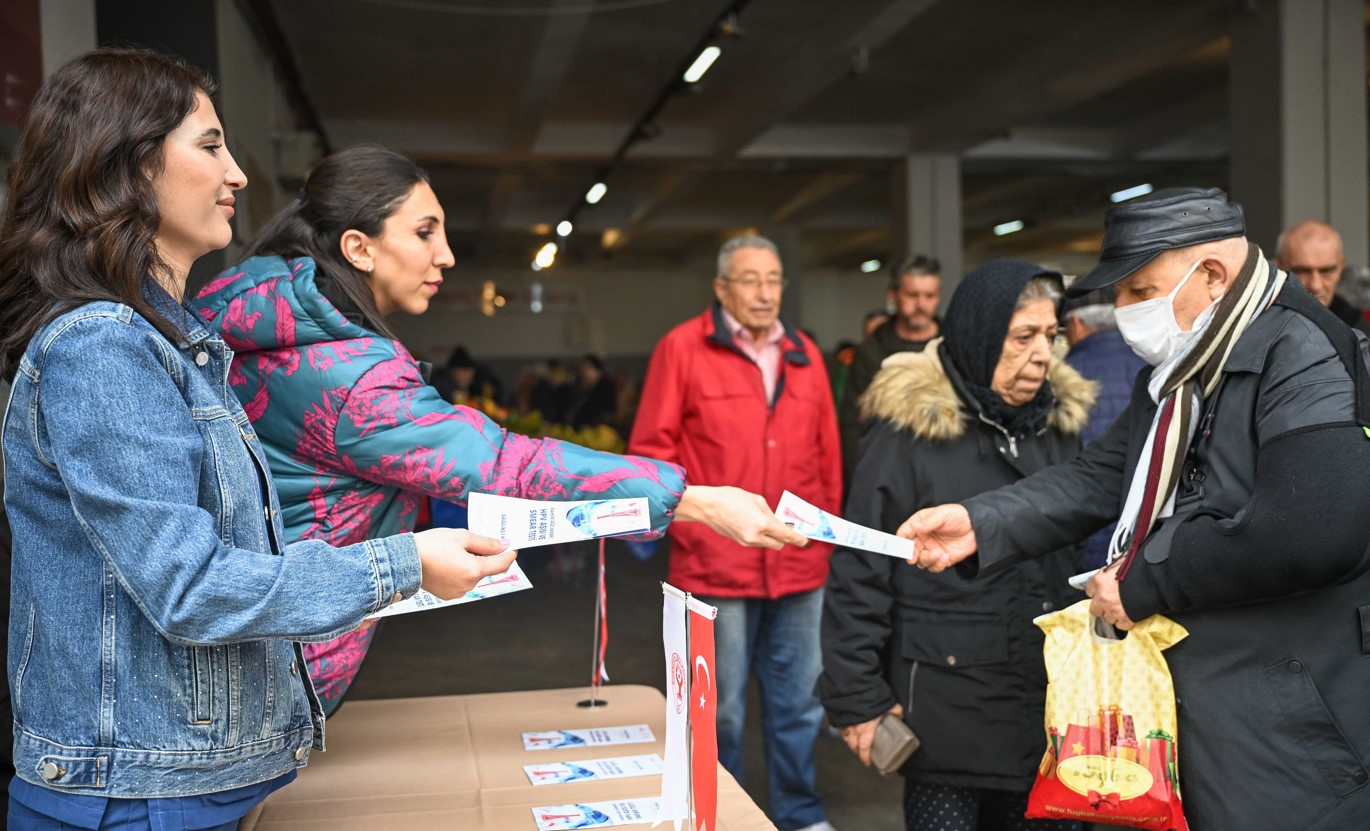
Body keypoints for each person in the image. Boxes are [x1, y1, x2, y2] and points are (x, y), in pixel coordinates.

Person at [0, 48, 520, 829]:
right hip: (138, 797)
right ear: (128, 164)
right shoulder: (102, 346)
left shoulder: (178, 344)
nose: (238, 174)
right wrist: (402, 563)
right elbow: (189, 585)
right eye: (210, 146)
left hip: (182, 780)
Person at [197, 146, 806, 715]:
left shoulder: (255, 315)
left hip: (242, 647)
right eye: (424, 232)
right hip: (273, 669)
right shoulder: (347, 376)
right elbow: (505, 467)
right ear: (359, 248)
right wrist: (694, 498)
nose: (447, 255)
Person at [905, 187, 1370, 830]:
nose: (1121, 312)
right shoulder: (1184, 365)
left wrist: (1145, 580)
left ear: (1210, 276)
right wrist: (982, 523)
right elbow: (1105, 473)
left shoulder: (1303, 354)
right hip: (1200, 703)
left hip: (1285, 717)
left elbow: (1315, 530)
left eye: (1138, 291)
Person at [818, 260, 1093, 831]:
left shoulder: (1059, 429)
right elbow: (860, 569)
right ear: (979, 335)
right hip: (944, 713)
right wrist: (857, 696)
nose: (1042, 354)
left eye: (1050, 335)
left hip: (1051, 717)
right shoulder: (905, 435)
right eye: (1023, 337)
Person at [629, 235, 842, 831]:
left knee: (801, 704)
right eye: (750, 280)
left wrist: (821, 542)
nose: (765, 293)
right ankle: (723, 818)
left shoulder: (806, 355)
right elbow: (652, 455)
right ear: (721, 288)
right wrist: (690, 530)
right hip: (714, 566)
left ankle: (800, 814)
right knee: (718, 712)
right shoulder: (682, 349)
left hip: (799, 567)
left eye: (774, 279)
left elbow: (827, 459)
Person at [839, 255, 942, 488]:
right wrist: (860, 481)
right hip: (888, 476)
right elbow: (851, 427)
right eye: (912, 295)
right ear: (893, 295)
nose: (921, 304)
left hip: (944, 475)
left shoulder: (953, 347)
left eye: (930, 296)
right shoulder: (871, 352)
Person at [1062, 286, 1146, 569]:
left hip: (1080, 539)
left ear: (1075, 324)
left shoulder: (1062, 377)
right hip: (1139, 546)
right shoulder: (1152, 368)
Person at [1274, 219, 1370, 336]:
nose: (1316, 285)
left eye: (1327, 271)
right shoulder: (1256, 325)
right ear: (1278, 267)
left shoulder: (1360, 333)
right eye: (1301, 271)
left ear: (1341, 267)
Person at [432, 344, 503, 405]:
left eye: (470, 372)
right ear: (453, 372)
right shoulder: (441, 384)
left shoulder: (476, 384)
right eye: (464, 371)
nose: (467, 376)